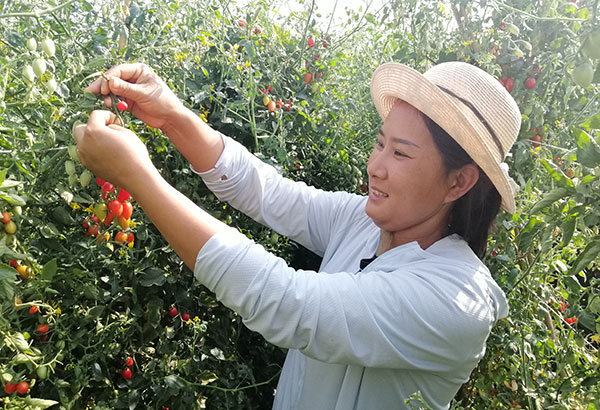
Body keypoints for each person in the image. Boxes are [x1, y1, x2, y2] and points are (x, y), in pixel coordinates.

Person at [73, 61, 521, 410]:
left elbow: (287, 302)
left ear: (458, 183)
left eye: (401, 153)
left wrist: (139, 177)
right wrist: (172, 116)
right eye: (380, 142)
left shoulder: (456, 301)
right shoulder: (366, 222)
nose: (376, 165)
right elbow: (266, 191)